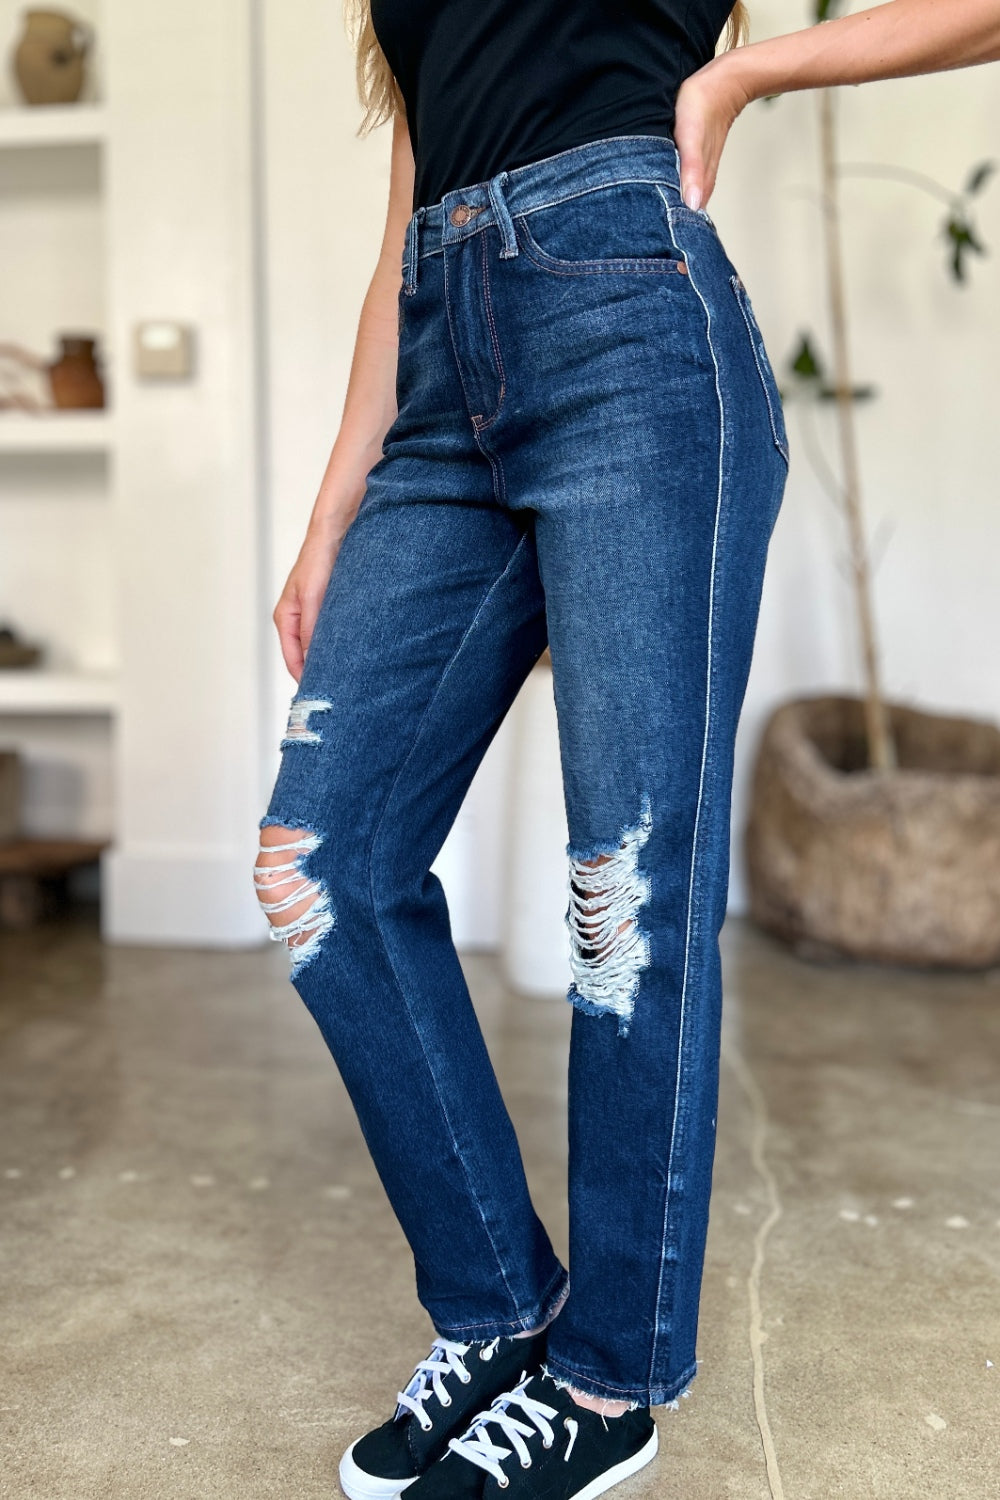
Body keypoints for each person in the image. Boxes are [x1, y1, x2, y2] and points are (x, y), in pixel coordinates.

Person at [253, 3, 1000, 1496]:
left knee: (626, 893)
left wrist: (743, 73)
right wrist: (337, 501)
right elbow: (410, 215)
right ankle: (500, 1312)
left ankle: (610, 1379)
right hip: (441, 365)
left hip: (634, 338)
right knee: (320, 862)